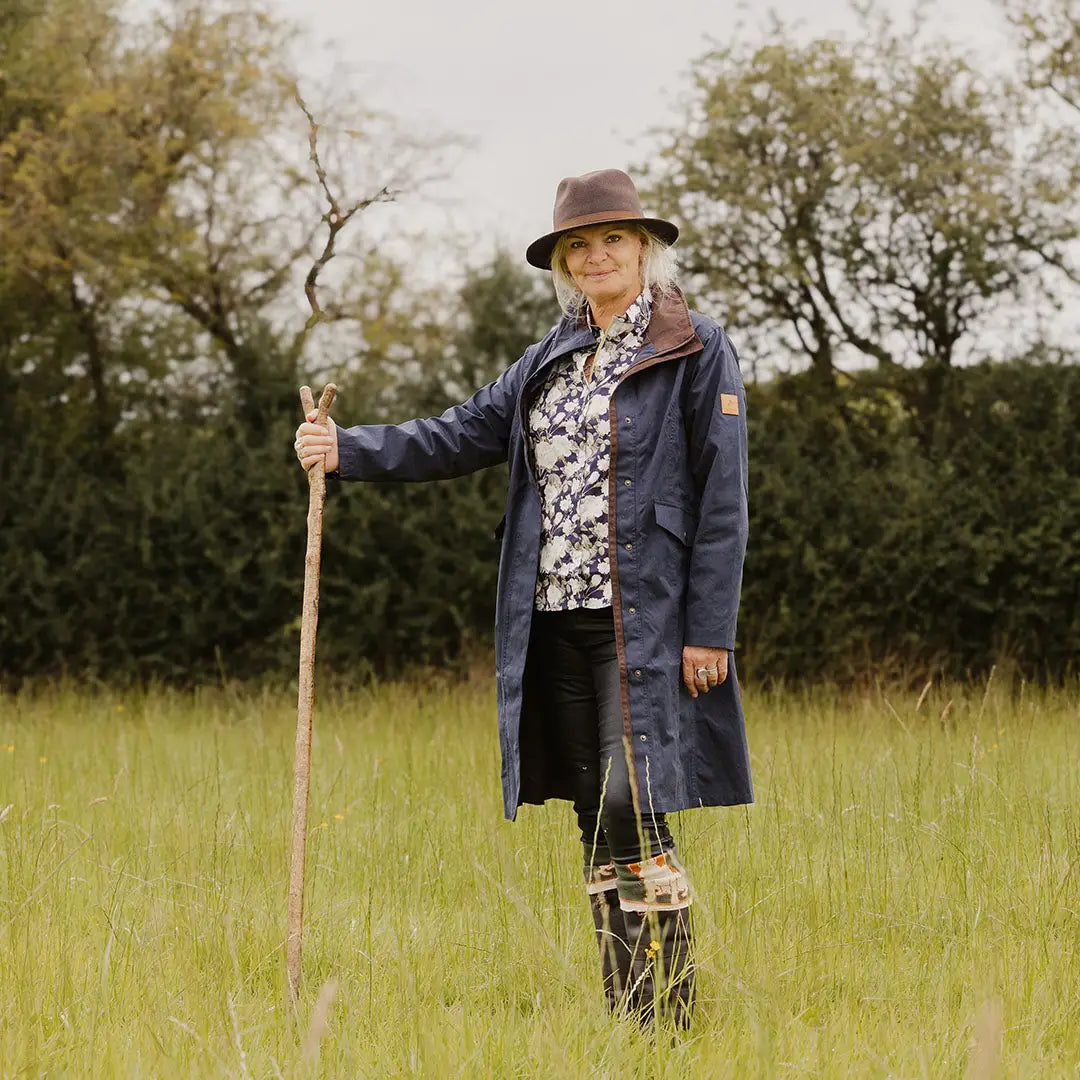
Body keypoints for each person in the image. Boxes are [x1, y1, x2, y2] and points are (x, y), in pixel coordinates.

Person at [294, 169, 752, 1027]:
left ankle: (672, 1015)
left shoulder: (696, 347)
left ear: (643, 249)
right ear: (563, 262)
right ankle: (632, 1016)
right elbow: (460, 432)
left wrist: (709, 631)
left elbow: (722, 497)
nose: (595, 256)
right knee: (593, 813)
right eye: (579, 244)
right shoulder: (548, 358)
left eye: (612, 239)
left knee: (632, 798)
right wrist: (346, 449)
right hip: (553, 623)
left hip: (643, 622)